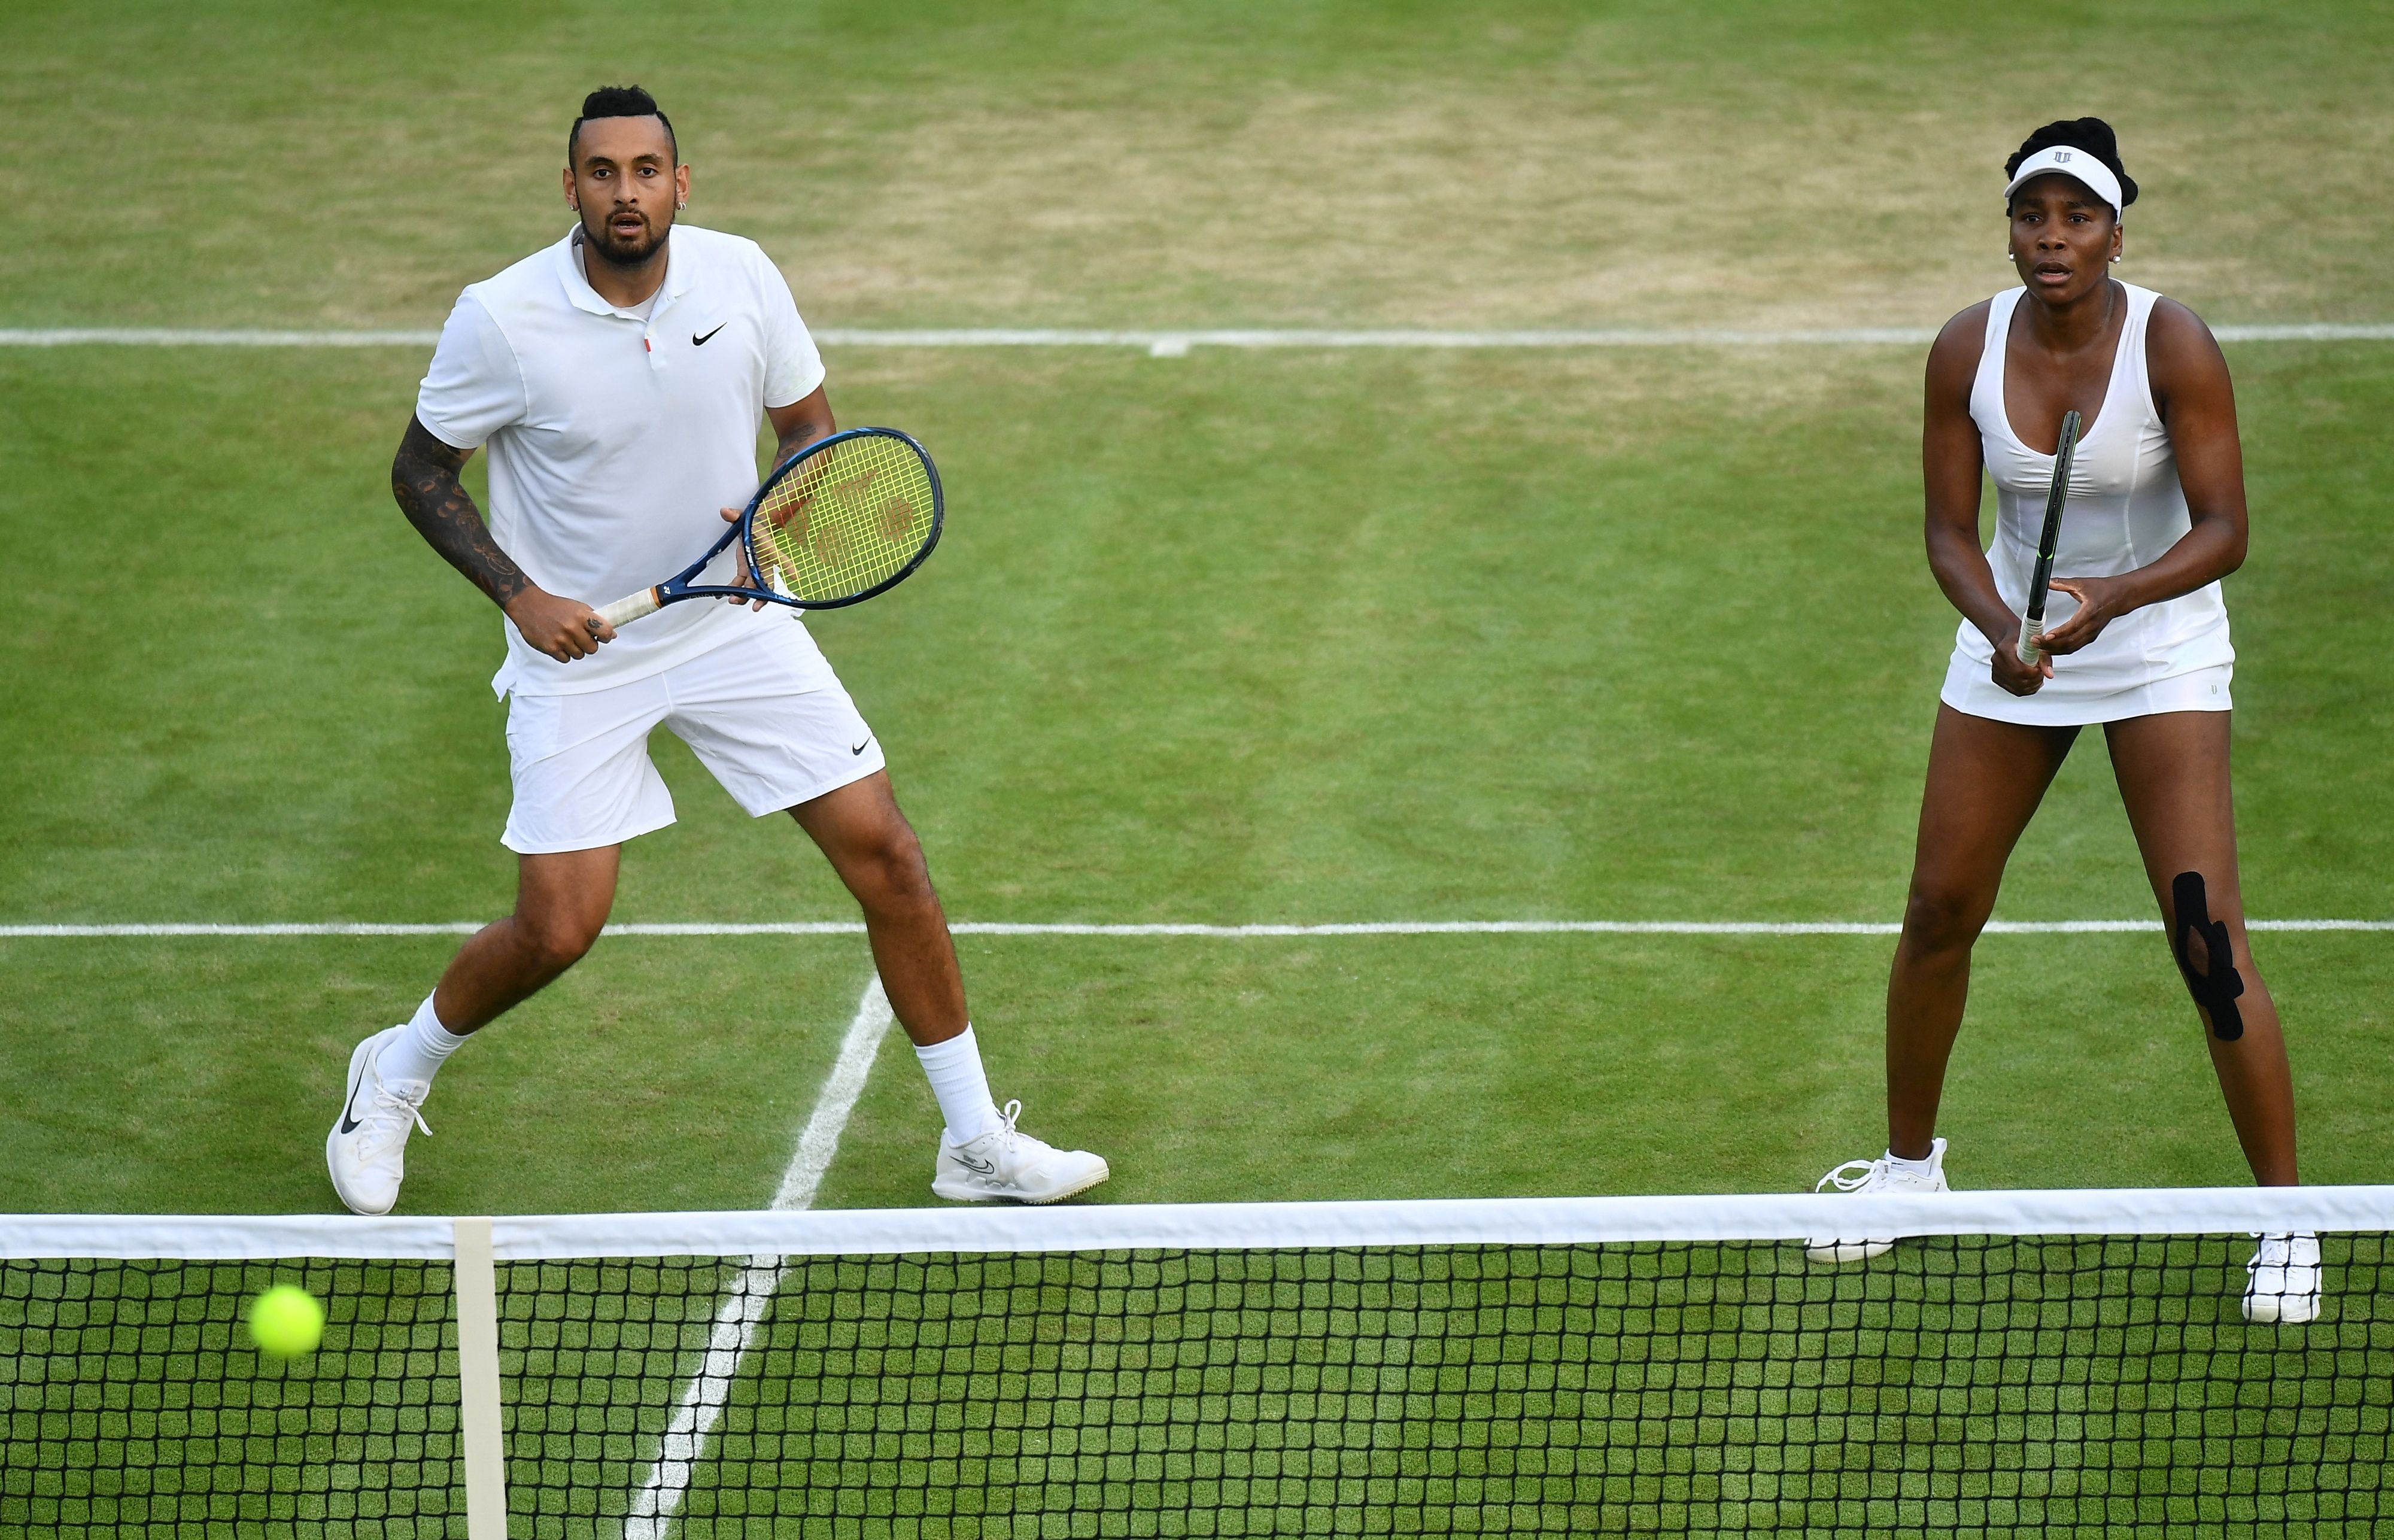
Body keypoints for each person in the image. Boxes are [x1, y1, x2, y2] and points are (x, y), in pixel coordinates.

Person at [327, 85, 1106, 1216]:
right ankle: (393, 1068)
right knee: (558, 928)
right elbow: (420, 472)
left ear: (680, 184)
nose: (627, 192)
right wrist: (521, 594)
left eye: (648, 171)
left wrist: (769, 531)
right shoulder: (499, 318)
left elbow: (811, 430)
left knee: (887, 853)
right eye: (604, 173)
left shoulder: (741, 275)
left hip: (735, 625)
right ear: (571, 188)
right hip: (580, 659)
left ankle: (976, 1139)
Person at [1806, 119, 2315, 1323]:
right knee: (1937, 908)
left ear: (2111, 231)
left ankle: (2288, 1223)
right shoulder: (1963, 349)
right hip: (2011, 641)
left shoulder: (2171, 343)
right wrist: (1999, 625)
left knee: (2203, 938)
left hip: (2157, 647)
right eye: (2031, 215)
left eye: (2074, 217)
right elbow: (1944, 531)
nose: (2050, 238)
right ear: (2010, 227)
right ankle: (1909, 1176)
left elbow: (2223, 529)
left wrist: (2109, 602)